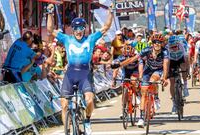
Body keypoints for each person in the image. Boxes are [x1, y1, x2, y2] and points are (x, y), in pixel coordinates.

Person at [47, 4, 114, 135]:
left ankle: (87, 120)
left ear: (85, 29)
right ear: (72, 29)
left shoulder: (90, 38)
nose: (79, 31)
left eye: (81, 28)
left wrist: (110, 12)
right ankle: (67, 129)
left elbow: (106, 27)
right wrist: (49, 13)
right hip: (70, 74)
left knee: (89, 100)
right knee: (64, 104)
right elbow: (50, 30)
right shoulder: (66, 38)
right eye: (76, 28)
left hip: (85, 74)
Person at [112, 34, 169, 127]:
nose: (157, 44)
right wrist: (119, 64)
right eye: (155, 42)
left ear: (162, 44)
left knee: (153, 80)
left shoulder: (165, 52)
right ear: (152, 43)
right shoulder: (147, 50)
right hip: (148, 70)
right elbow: (132, 59)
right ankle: (141, 118)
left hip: (158, 70)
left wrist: (164, 78)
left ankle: (156, 97)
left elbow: (166, 65)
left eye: (159, 42)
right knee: (144, 92)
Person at [166, 35, 189, 114]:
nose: (174, 48)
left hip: (180, 59)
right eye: (172, 47)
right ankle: (174, 103)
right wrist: (167, 73)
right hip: (171, 61)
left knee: (183, 66)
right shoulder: (167, 48)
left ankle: (185, 86)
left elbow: (186, 58)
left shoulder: (181, 45)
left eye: (175, 46)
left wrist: (187, 70)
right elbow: (167, 62)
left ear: (178, 44)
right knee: (172, 81)